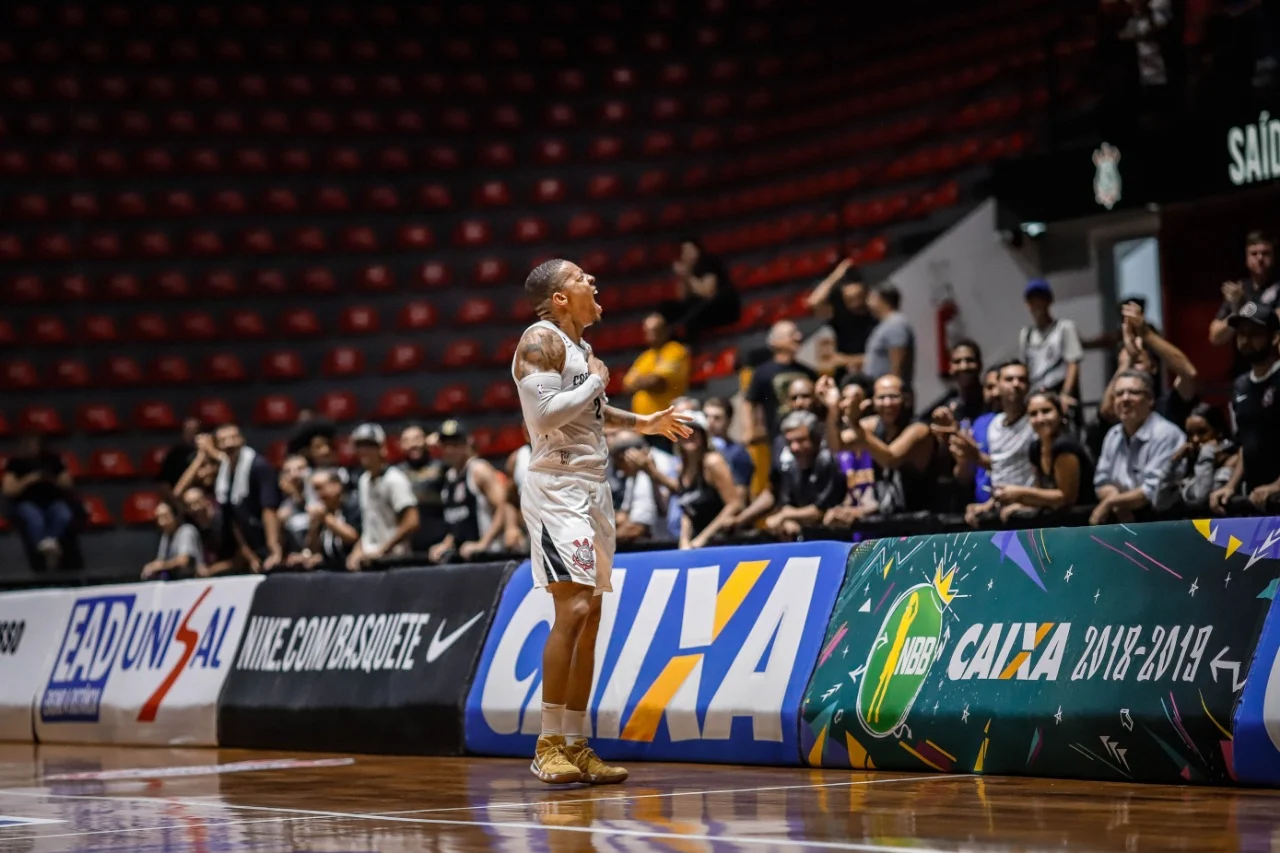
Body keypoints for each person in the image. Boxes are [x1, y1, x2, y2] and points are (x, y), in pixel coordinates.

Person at [512, 258, 691, 785]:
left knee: (591, 617)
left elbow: (591, 410)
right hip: (557, 486)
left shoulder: (581, 352)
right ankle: (547, 743)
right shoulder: (538, 340)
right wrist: (593, 383)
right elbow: (544, 415)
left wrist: (645, 423)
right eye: (581, 278)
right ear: (560, 297)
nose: (593, 281)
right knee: (573, 606)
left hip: (593, 488)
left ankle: (576, 741)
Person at [1211, 301, 1280, 514]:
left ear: (1275, 337)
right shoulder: (1240, 385)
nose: (1245, 340)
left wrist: (1277, 486)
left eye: (1254, 333)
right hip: (1255, 499)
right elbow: (1246, 443)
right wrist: (1230, 486)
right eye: (1241, 333)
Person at [1092, 370, 1186, 524]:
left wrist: (1111, 503)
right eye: (1119, 394)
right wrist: (1118, 504)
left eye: (1133, 393)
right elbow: (1101, 483)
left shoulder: (1166, 434)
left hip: (1162, 520)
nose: (1125, 399)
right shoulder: (1112, 435)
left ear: (1150, 399)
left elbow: (1151, 491)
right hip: (1123, 519)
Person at [733, 410, 844, 539]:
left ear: (815, 439)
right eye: (790, 442)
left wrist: (785, 516)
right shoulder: (789, 465)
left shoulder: (827, 461)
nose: (794, 447)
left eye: (801, 440)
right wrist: (787, 520)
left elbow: (819, 511)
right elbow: (784, 501)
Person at [639, 413, 742, 550]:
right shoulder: (682, 468)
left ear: (703, 436)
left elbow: (734, 504)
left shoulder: (712, 462)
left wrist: (703, 538)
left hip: (722, 543)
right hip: (696, 544)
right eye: (682, 432)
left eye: (694, 431)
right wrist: (684, 541)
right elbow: (687, 508)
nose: (688, 435)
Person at [954, 361, 1038, 527]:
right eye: (1009, 379)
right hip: (1001, 510)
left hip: (1032, 512)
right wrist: (988, 505)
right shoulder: (994, 425)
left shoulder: (1036, 421)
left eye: (1022, 379)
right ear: (997, 386)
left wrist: (1029, 502)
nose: (1016, 384)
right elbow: (1000, 468)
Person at [991, 391, 1094, 523]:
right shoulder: (1035, 448)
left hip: (1084, 522)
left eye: (1046, 411)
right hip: (1058, 522)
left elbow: (1066, 498)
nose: (1040, 418)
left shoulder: (1065, 446)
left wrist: (1020, 493)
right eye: (1033, 414)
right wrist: (1023, 505)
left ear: (1060, 413)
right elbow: (1042, 492)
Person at [428, 420, 508, 562]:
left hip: (490, 557)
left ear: (466, 444)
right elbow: (458, 522)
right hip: (466, 559)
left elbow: (503, 506)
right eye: (445, 445)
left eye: (455, 444)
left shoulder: (478, 470)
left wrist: (483, 543)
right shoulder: (450, 477)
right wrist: (445, 545)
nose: (450, 450)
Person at [347, 423, 420, 570]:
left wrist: (383, 550)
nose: (364, 451)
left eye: (369, 446)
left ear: (381, 448)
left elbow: (412, 521)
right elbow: (370, 526)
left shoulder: (394, 479)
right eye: (359, 446)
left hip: (395, 561)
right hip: (370, 560)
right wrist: (357, 550)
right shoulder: (364, 480)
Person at [212, 423, 283, 572]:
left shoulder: (259, 466)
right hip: (249, 543)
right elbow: (232, 518)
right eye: (223, 440)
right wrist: (247, 553)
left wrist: (274, 549)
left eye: (233, 438)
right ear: (217, 446)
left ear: (242, 440)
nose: (229, 443)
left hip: (269, 538)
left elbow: (269, 509)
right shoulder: (224, 473)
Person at [2, 432, 76, 570]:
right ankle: (48, 548)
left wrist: (50, 479)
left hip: (52, 501)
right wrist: (29, 480)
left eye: (36, 443)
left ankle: (48, 544)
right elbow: (8, 490)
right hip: (25, 502)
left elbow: (67, 483)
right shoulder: (15, 463)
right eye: (29, 444)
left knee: (64, 514)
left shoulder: (53, 460)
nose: (33, 447)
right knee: (34, 517)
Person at [621, 313, 690, 450]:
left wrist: (641, 381)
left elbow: (659, 383)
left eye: (655, 330)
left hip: (667, 427)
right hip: (645, 428)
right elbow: (626, 386)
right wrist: (648, 380)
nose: (650, 335)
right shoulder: (645, 357)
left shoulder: (675, 350)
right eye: (647, 331)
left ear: (665, 331)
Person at [744, 320, 818, 444]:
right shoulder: (762, 373)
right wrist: (750, 429)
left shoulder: (809, 373)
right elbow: (750, 401)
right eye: (792, 334)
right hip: (779, 438)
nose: (799, 336)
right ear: (776, 342)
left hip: (809, 437)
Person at [1209, 231, 1278, 351]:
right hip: (1244, 362)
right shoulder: (1240, 289)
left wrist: (1244, 305)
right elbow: (1215, 337)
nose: (1260, 258)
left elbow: (1275, 320)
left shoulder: (1278, 286)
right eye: (1254, 253)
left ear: (1274, 257)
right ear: (1246, 258)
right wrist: (1236, 313)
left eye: (1265, 253)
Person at [1019, 279, 1083, 408]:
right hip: (1036, 392)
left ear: (1049, 300)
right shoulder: (1026, 334)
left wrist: (1066, 394)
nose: (1037, 303)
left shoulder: (1064, 328)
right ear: (1027, 304)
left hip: (1059, 389)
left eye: (1040, 298)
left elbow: (1073, 363)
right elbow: (1024, 367)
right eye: (1032, 300)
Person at [806, 258, 877, 373]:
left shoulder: (875, 314)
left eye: (858, 297)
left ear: (865, 293)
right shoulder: (839, 313)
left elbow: (881, 357)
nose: (854, 302)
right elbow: (813, 302)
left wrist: (846, 360)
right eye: (849, 299)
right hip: (846, 374)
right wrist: (836, 275)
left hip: (872, 371)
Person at [665, 237, 740, 339]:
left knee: (692, 310)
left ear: (698, 250)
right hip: (703, 310)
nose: (687, 255)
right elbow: (682, 298)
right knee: (669, 309)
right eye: (684, 252)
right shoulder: (689, 270)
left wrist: (687, 276)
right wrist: (682, 278)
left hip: (723, 307)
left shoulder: (709, 263)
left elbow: (707, 293)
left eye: (689, 250)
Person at [1166, 403, 1235, 509]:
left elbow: (1200, 497)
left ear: (1219, 432)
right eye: (1190, 434)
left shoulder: (1232, 461)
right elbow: (1160, 502)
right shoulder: (1191, 462)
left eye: (1202, 432)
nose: (1195, 439)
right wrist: (1173, 461)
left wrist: (1207, 452)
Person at [701, 397, 754, 504]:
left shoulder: (738, 453)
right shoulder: (695, 450)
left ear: (729, 420)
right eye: (706, 416)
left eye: (717, 418)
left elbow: (740, 497)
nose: (710, 422)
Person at [862, 282, 915, 384]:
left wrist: (893, 387)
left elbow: (898, 361)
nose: (868, 303)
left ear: (881, 299)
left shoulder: (895, 324)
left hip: (890, 392)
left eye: (871, 298)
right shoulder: (885, 324)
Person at [141, 501, 203, 580]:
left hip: (194, 581)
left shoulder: (186, 531)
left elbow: (184, 561)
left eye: (165, 517)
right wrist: (151, 567)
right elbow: (161, 560)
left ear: (175, 516)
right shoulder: (166, 536)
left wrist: (160, 566)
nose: (161, 522)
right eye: (158, 518)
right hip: (176, 582)